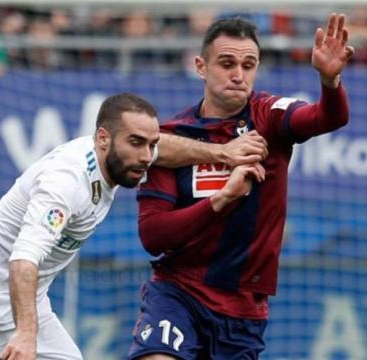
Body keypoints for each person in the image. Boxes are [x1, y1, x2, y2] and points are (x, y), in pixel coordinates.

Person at [0, 92, 268, 360]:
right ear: (104, 138)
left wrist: (223, 153)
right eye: (136, 143)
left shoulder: (118, 157)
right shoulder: (66, 183)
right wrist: (25, 334)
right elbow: (23, 259)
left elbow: (164, 147)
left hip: (27, 308)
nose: (146, 156)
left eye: (150, 145)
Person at [128, 13, 354, 359]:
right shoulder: (172, 139)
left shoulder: (269, 115)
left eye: (248, 65)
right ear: (201, 67)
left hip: (242, 306)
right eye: (227, 63)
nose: (238, 74)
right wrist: (222, 199)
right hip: (179, 291)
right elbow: (153, 237)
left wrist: (330, 80)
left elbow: (327, 117)